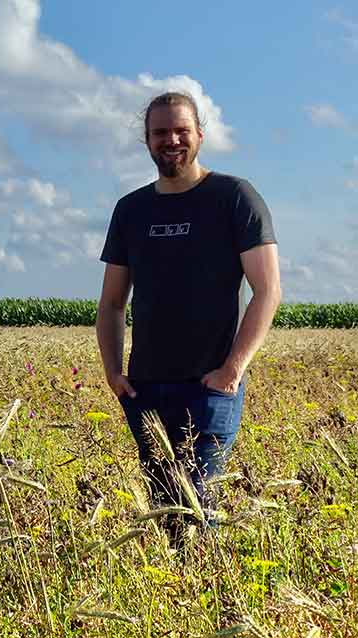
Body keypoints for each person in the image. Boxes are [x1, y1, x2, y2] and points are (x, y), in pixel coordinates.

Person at [96, 92, 281, 538]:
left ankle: (208, 595)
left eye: (181, 130)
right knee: (163, 506)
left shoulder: (234, 197)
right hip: (145, 386)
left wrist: (232, 370)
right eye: (160, 132)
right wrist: (113, 373)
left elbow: (268, 291)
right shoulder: (131, 210)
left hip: (210, 385)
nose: (171, 140)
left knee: (196, 502)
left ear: (200, 134)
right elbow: (112, 304)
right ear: (147, 141)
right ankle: (180, 599)